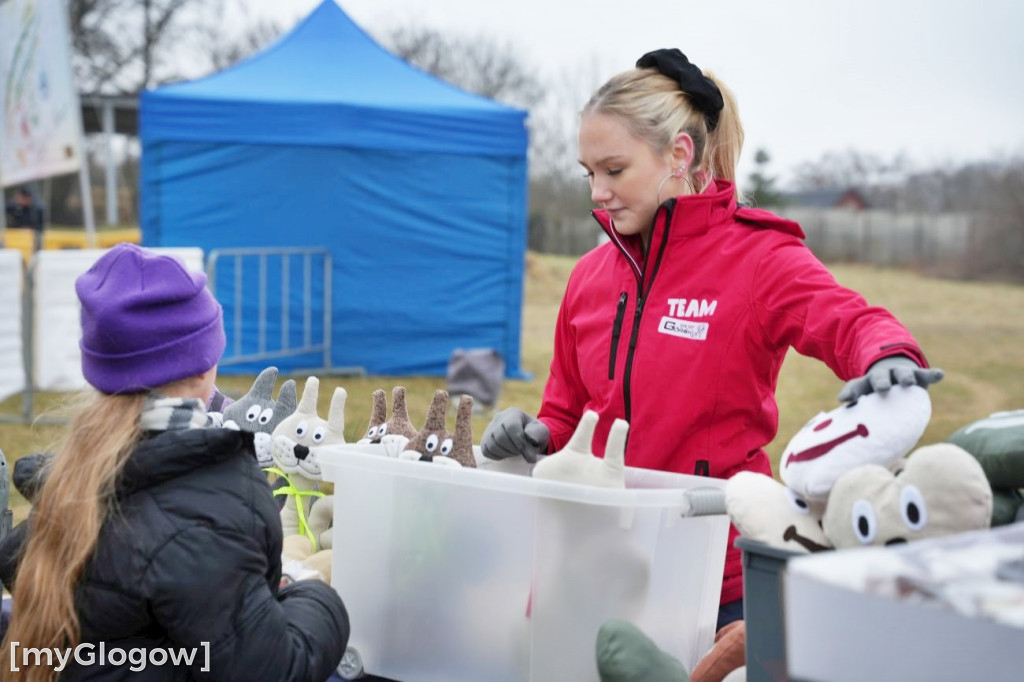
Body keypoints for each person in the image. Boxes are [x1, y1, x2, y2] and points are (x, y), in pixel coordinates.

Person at [481, 49, 943, 632]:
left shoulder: (758, 258)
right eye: (588, 172)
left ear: (679, 154)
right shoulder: (589, 276)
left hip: (715, 575)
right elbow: (568, 413)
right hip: (593, 563)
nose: (597, 192)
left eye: (614, 170)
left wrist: (888, 355)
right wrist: (534, 433)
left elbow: (847, 318)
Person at [0, 243, 348, 681]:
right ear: (205, 366)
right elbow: (274, 669)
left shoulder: (72, 472)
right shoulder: (211, 500)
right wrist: (315, 596)